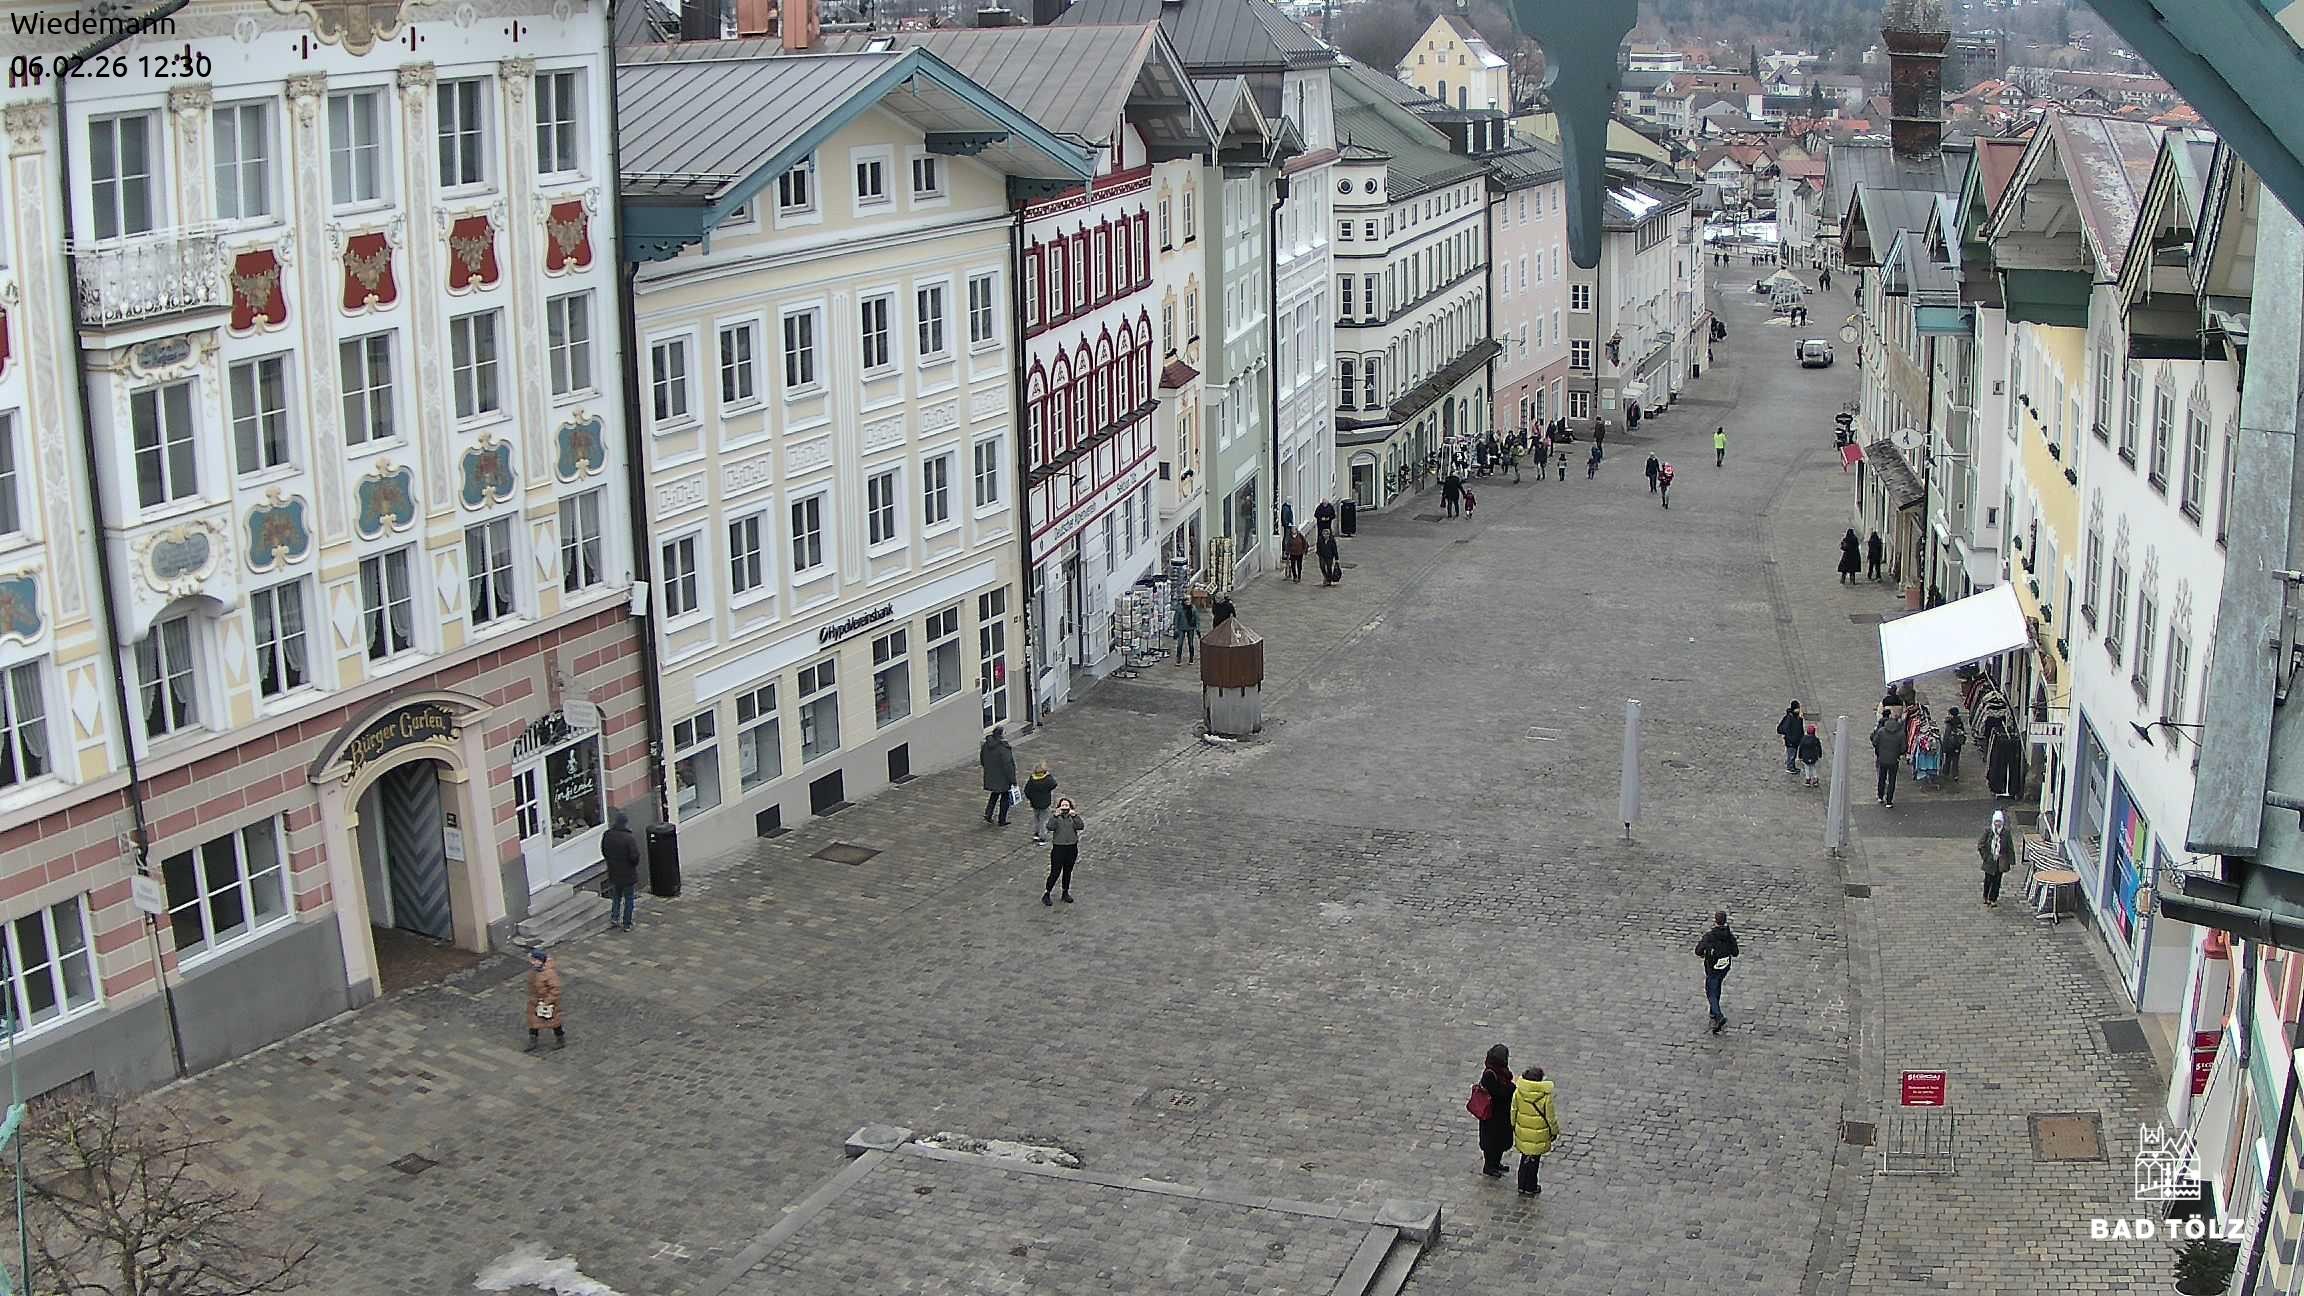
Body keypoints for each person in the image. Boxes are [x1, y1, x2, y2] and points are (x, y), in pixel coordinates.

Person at [1510, 1066, 1560, 1195]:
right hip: (1539, 1134)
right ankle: (1531, 1186)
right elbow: (1550, 1117)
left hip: (1523, 1131)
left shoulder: (1518, 1093)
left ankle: (1522, 1185)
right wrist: (1554, 1131)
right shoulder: (1545, 1096)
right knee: (1534, 1161)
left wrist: (1513, 1125)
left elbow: (1513, 1111)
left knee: (1524, 1158)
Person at [1475, 1044, 1517, 1178]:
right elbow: (1498, 1093)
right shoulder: (1489, 1074)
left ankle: (1496, 1163)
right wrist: (1512, 1088)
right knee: (1491, 1142)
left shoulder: (1500, 1070)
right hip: (1492, 1115)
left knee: (1500, 1140)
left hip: (1501, 1114)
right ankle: (1489, 1166)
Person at [1696, 912, 1739, 1034]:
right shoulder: (1729, 935)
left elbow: (1698, 951)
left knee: (1711, 992)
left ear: (1715, 921)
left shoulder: (1710, 936)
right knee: (1717, 986)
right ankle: (1713, 1012)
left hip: (1712, 967)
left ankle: (1718, 1015)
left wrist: (1704, 954)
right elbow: (1735, 952)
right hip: (1724, 967)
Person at [601, 812, 641, 932]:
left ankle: (614, 917)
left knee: (616, 896)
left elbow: (604, 851)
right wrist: (632, 865)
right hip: (628, 873)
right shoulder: (629, 838)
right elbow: (634, 857)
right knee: (629, 898)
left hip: (614, 871)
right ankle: (627, 923)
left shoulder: (607, 835)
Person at [1042, 797, 1084, 905]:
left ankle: (1065, 892)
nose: (1065, 808)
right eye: (1063, 806)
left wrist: (1075, 816)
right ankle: (1047, 892)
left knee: (1067, 871)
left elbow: (1080, 826)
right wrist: (1055, 816)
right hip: (1059, 848)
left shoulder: (1073, 817)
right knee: (1055, 872)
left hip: (1071, 847)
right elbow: (1050, 827)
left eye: (1067, 806)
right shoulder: (1056, 818)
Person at [524, 948, 565, 1052]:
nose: (532, 962)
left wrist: (546, 1001)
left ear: (540, 960)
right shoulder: (534, 971)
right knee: (533, 1022)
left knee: (554, 1021)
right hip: (535, 1002)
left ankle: (560, 1038)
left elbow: (555, 989)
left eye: (534, 960)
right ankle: (533, 1040)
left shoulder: (549, 973)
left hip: (548, 1002)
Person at [980, 726, 1017, 826]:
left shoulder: (986, 745)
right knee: (1005, 798)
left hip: (991, 775)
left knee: (994, 794)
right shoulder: (1003, 748)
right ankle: (1002, 820)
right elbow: (1008, 766)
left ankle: (988, 813)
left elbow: (982, 759)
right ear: (1001, 734)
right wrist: (1013, 780)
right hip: (1003, 778)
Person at [1871, 708, 1907, 808]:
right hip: (1894, 760)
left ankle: (1880, 796)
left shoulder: (1882, 731)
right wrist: (1897, 754)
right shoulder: (1900, 734)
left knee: (1882, 778)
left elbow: (1875, 742)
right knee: (1892, 780)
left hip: (1882, 759)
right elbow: (1903, 748)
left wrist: (1880, 751)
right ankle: (1889, 801)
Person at [1978, 809, 2015, 907]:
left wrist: (2011, 860)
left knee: (1997, 881)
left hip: (2000, 861)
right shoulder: (1988, 831)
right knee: (1988, 880)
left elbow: (2009, 847)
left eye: (1999, 822)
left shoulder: (2006, 833)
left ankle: (1993, 898)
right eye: (1996, 821)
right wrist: (1986, 856)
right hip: (1990, 860)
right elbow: (1981, 845)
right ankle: (1985, 896)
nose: (1997, 824)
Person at [1022, 762, 1060, 843]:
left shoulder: (1032, 779)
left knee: (1036, 818)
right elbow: (1054, 784)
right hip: (1045, 804)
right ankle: (1043, 837)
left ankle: (1036, 834)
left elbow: (1027, 791)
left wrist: (1031, 798)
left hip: (1035, 803)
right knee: (1044, 820)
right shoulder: (1047, 779)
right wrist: (1049, 775)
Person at [1776, 701, 1806, 774]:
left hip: (1796, 740)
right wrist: (1790, 736)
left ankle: (1792, 766)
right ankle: (1790, 767)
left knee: (1793, 754)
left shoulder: (1797, 717)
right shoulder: (1789, 718)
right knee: (1791, 754)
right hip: (1791, 741)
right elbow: (1783, 729)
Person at [1943, 707, 1967, 782]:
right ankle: (1955, 774)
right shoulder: (1959, 722)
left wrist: (1944, 746)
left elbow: (1946, 736)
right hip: (1957, 744)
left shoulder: (1949, 723)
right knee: (1955, 760)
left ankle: (1946, 771)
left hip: (1950, 744)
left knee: (1948, 758)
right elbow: (1963, 733)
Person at [1173, 596, 1199, 665]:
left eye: (1189, 600)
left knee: (1190, 643)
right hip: (1181, 628)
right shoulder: (1180, 608)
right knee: (1180, 644)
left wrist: (1198, 629)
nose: (1187, 602)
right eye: (1186, 601)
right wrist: (1175, 628)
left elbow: (1197, 619)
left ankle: (1191, 658)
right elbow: (1176, 619)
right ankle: (1178, 659)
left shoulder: (1193, 609)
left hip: (1190, 628)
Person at [1797, 723, 1824, 787]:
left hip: (1805, 757)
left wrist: (1800, 756)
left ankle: (1808, 779)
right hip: (1813, 757)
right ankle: (1815, 779)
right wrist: (1820, 755)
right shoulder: (1816, 739)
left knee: (1807, 768)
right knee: (1813, 767)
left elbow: (1801, 748)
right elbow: (1819, 748)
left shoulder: (1803, 739)